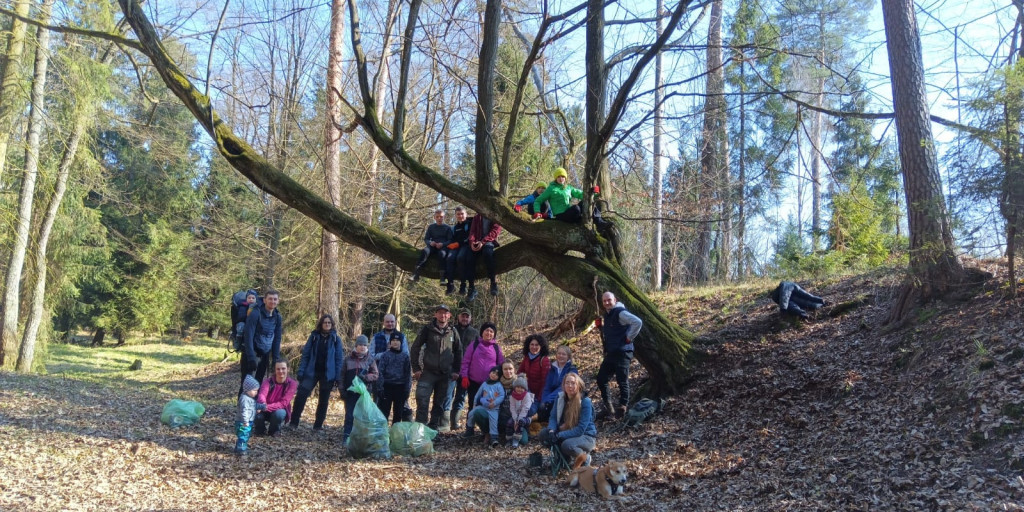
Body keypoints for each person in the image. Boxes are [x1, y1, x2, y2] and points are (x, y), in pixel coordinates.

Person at [410, 304, 462, 430]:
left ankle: (433, 430)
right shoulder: (427, 329)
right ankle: (420, 429)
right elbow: (415, 347)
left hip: (445, 374)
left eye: (445, 313)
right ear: (435, 314)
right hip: (428, 372)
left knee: (439, 404)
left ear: (449, 316)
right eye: (440, 312)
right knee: (422, 400)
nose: (442, 315)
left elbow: (459, 351)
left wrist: (456, 370)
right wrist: (416, 368)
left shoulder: (453, 331)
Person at [290, 314, 344, 430]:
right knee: (301, 395)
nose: (327, 324)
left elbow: (339, 359)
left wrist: (337, 377)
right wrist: (301, 370)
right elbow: (306, 354)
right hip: (311, 372)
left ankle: (318, 426)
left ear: (332, 325)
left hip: (327, 374)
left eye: (329, 323)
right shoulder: (314, 337)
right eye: (325, 322)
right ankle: (293, 422)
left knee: (323, 400)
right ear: (321, 324)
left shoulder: (336, 339)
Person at [595, 291, 642, 419]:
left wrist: (629, 338)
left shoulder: (620, 312)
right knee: (601, 378)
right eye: (604, 301)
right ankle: (609, 408)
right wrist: (600, 327)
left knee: (622, 380)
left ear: (614, 300)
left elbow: (637, 322)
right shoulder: (608, 314)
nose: (606, 303)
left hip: (622, 352)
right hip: (611, 353)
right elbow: (612, 330)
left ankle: (622, 409)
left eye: (609, 300)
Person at [544, 372, 597, 469]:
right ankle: (562, 458)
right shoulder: (560, 398)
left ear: (578, 385)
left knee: (567, 445)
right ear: (563, 385)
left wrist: (559, 435)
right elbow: (553, 417)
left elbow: (581, 429)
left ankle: (585, 458)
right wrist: (551, 431)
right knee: (544, 434)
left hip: (586, 436)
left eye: (573, 383)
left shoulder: (585, 401)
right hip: (566, 429)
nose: (570, 386)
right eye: (567, 383)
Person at [240, 289, 283, 395]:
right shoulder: (255, 313)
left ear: (278, 301)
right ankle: (242, 410)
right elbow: (248, 335)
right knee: (246, 384)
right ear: (264, 300)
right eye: (270, 299)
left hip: (264, 354)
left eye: (275, 299)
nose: (272, 301)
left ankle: (255, 410)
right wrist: (250, 357)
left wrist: (275, 359)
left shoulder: (277, 317)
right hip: (251, 352)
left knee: (258, 384)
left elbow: (277, 339)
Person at [340, 335, 379, 443]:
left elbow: (375, 375)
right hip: (350, 393)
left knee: (363, 416)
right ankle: (347, 437)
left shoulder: (371, 360)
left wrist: (366, 377)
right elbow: (342, 375)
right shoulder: (347, 359)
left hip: (364, 394)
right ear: (356, 346)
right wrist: (342, 390)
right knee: (349, 415)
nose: (362, 347)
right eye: (360, 345)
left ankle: (361, 438)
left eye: (365, 345)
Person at [446, 308, 478, 431]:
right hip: (451, 369)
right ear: (458, 317)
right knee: (447, 396)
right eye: (462, 316)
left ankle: (454, 424)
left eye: (467, 317)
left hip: (466, 371)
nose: (464, 319)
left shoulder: (474, 333)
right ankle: (444, 423)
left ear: (470, 318)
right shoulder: (451, 330)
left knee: (460, 397)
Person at [459, 322, 505, 408]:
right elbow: (465, 362)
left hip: (490, 384)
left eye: (491, 331)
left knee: (487, 407)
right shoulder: (474, 344)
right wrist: (464, 376)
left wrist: (499, 379)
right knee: (473, 405)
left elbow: (501, 365)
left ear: (494, 334)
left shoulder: (496, 348)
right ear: (482, 332)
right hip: (473, 383)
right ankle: (470, 422)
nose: (489, 333)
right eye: (486, 330)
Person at [461, 213, 502, 300]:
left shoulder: (495, 216)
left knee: (488, 254)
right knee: (469, 258)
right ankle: (471, 287)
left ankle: (493, 283)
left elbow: (495, 232)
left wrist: (483, 242)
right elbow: (472, 232)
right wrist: (472, 242)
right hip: (476, 241)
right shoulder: (477, 217)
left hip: (488, 241)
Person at [375, 332, 412, 425]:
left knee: (398, 415)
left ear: (401, 342)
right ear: (390, 342)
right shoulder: (385, 355)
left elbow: (408, 374)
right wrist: (380, 388)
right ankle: (383, 435)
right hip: (387, 387)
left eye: (397, 340)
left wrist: (407, 390)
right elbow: (380, 372)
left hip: (400, 388)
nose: (395, 343)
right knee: (384, 413)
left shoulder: (405, 356)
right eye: (393, 340)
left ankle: (395, 435)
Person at [465, 365, 506, 447]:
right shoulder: (485, 384)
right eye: (493, 372)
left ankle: (494, 437)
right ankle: (469, 430)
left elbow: (502, 396)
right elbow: (478, 395)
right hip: (484, 406)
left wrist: (494, 403)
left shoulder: (499, 385)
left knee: (493, 421)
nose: (493, 375)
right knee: (471, 413)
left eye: (496, 374)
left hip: (494, 408)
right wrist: (476, 404)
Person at [254, 360, 298, 437]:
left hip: (278, 410)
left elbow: (284, 403)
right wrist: (263, 404)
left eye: (283, 368)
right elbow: (262, 395)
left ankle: (274, 430)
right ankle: (260, 430)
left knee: (279, 414)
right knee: (256, 412)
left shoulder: (292, 384)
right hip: (264, 407)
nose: (281, 371)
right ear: (274, 370)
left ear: (288, 369)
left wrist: (266, 407)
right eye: (278, 369)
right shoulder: (267, 381)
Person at [411, 209, 453, 282]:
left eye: (441, 216)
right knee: (425, 251)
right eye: (437, 217)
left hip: (443, 247)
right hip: (433, 246)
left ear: (444, 217)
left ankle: (442, 277)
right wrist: (430, 243)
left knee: (442, 254)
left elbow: (450, 240)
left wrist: (443, 244)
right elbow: (426, 239)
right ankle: (416, 274)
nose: (439, 218)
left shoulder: (448, 228)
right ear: (434, 217)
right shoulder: (431, 227)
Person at [539, 344, 577, 422]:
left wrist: (548, 400)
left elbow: (563, 388)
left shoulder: (572, 369)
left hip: (565, 398)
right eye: (559, 353)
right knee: (540, 407)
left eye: (563, 354)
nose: (561, 356)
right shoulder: (552, 369)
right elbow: (547, 387)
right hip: (551, 398)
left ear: (568, 357)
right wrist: (544, 401)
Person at [444, 206, 472, 295]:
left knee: (460, 258)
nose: (460, 216)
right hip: (456, 247)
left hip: (466, 246)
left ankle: (463, 284)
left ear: (466, 214)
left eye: (462, 214)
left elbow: (470, 237)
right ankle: (450, 284)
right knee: (449, 258)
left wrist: (458, 243)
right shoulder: (454, 227)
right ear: (455, 215)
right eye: (458, 214)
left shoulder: (470, 224)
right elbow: (451, 239)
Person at [517, 334, 550, 400]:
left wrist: (539, 398)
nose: (534, 347)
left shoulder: (544, 360)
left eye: (537, 345)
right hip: (526, 392)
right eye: (532, 344)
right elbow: (519, 372)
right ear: (528, 346)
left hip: (538, 395)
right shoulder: (527, 357)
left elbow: (545, 382)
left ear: (541, 346)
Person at [506, 374, 535, 448]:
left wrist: (518, 421)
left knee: (521, 422)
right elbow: (512, 408)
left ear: (525, 389)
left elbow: (525, 409)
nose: (519, 389)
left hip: (525, 416)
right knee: (509, 422)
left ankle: (516, 439)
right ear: (515, 387)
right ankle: (509, 439)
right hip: (515, 415)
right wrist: (515, 419)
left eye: (522, 388)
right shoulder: (512, 396)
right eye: (518, 387)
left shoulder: (527, 396)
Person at [235, 374, 260, 455]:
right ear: (248, 390)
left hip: (247, 421)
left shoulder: (250, 398)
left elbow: (252, 407)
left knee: (245, 435)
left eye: (257, 390)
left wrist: (259, 408)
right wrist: (245, 421)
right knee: (243, 435)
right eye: (254, 390)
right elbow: (244, 411)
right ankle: (241, 449)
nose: (256, 392)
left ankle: (239, 447)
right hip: (243, 422)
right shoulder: (244, 399)